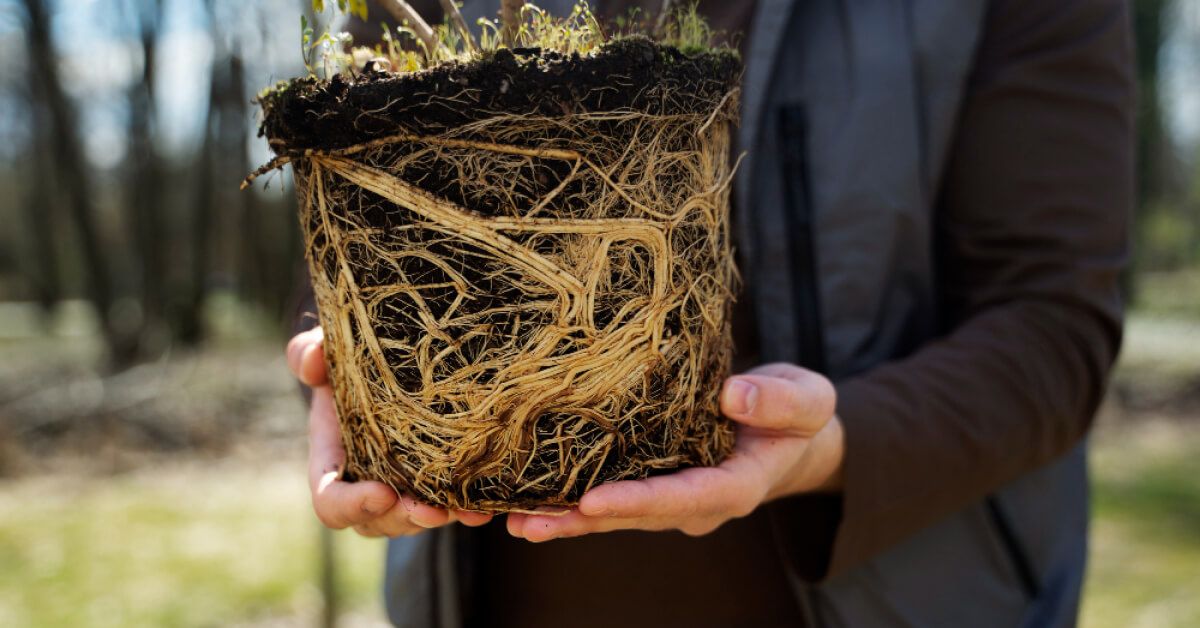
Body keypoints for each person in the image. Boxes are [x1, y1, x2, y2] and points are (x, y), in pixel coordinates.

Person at [285, 0, 1133, 625]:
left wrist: (833, 449)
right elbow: (344, 247)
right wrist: (349, 387)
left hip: (910, 595)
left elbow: (1054, 326)